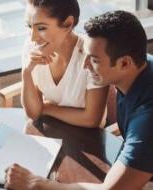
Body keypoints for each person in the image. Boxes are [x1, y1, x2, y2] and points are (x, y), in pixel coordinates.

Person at [5, 10, 153, 189]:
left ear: (124, 63)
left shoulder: (146, 121)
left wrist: (36, 183)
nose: (85, 65)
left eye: (95, 60)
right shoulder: (141, 66)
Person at [21, 0, 108, 128]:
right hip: (52, 133)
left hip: (88, 139)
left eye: (41, 28)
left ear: (68, 24)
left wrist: (46, 107)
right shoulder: (31, 48)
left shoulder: (91, 55)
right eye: (30, 26)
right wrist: (26, 72)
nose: (33, 38)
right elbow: (33, 113)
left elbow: (92, 119)